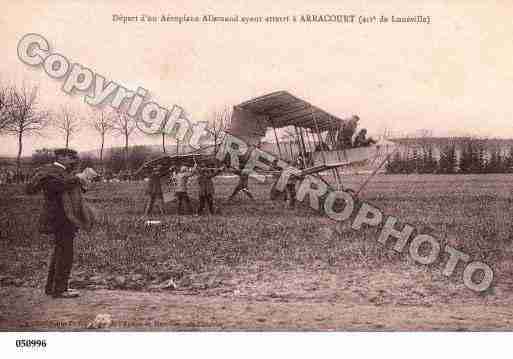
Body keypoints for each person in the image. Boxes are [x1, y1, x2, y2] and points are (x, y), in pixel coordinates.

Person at [25, 148, 83, 299]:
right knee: (65, 253)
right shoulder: (52, 172)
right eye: (71, 157)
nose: (73, 160)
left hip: (61, 216)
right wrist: (78, 178)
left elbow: (65, 187)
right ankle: (59, 289)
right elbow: (57, 187)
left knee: (60, 251)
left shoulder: (57, 171)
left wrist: (80, 180)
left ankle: (52, 287)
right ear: (61, 157)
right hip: (61, 217)